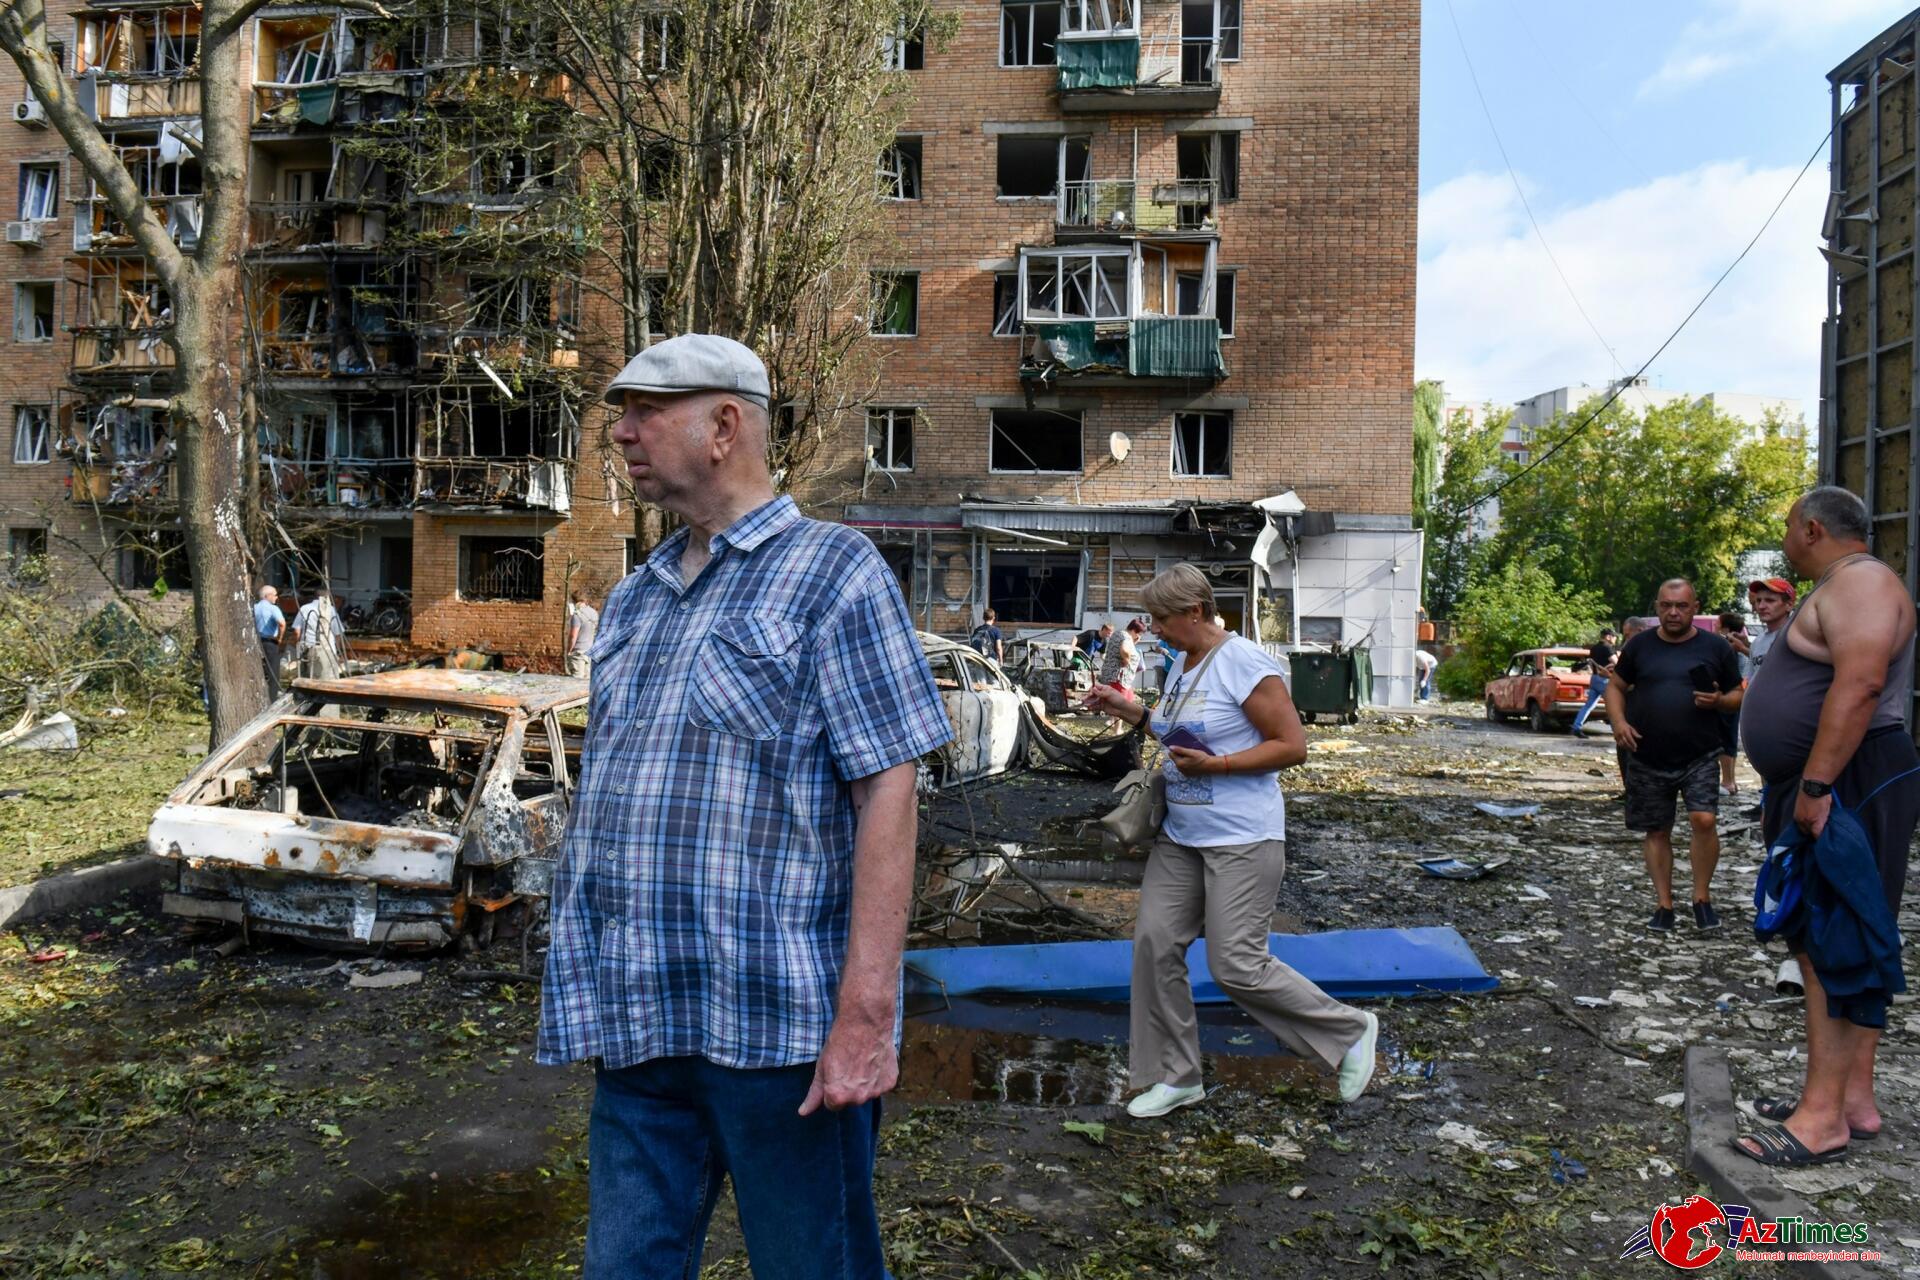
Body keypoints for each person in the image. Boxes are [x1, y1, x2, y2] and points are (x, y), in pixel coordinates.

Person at [537, 335, 952, 1278]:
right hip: (638, 1023)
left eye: (646, 410)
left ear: (726, 424)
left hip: (781, 1039)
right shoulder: (636, 599)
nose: (623, 432)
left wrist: (866, 1015)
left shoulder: (834, 574)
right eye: (622, 413)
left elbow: (889, 787)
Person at [1084, 565, 1379, 1118]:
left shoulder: (1244, 661)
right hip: (1181, 837)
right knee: (1153, 945)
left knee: (1237, 965)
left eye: (1163, 618)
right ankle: (1177, 1076)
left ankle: (1349, 1032)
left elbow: (1292, 746)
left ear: (1194, 612)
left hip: (1242, 838)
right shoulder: (1182, 663)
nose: (1156, 628)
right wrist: (1134, 711)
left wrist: (1218, 765)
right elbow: (1180, 731)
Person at [1733, 487, 1919, 1168]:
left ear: (1812, 528)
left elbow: (1862, 683)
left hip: (1850, 778)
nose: (1784, 540)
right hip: (1836, 776)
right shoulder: (1846, 584)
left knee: (1830, 945)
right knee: (1847, 939)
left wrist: (1814, 786)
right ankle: (1852, 1100)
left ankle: (1820, 1121)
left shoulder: (1863, 583)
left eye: (1787, 529)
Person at [1604, 580, 1743, 933]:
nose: (1673, 613)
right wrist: (1619, 722)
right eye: (1666, 606)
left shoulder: (1716, 648)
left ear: (1695, 606)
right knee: (1656, 830)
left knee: (1704, 820)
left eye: (1681, 606)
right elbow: (1615, 686)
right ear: (1657, 607)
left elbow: (1737, 694)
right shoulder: (1640, 647)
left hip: (1699, 753)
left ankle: (1701, 898)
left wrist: (1719, 702)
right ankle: (1664, 904)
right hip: (1647, 753)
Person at [1717, 612, 1753, 795]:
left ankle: (1728, 781)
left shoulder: (1728, 644)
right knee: (1729, 737)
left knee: (1725, 738)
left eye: (1718, 622)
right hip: (1740, 694)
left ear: (1724, 625)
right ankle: (1730, 781)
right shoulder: (1741, 642)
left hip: (1729, 694)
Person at [1569, 627, 1618, 735]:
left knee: (1589, 705)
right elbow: (1617, 663)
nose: (1615, 640)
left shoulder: (1594, 648)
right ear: (1608, 637)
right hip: (1605, 680)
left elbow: (1591, 663)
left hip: (1594, 678)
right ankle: (1618, 730)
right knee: (1614, 705)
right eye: (1614, 637)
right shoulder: (1608, 648)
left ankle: (1577, 727)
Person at [1740, 577, 1796, 669]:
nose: (1761, 606)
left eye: (1770, 600)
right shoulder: (1757, 641)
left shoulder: (1796, 637)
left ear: (1789, 605)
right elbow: (1749, 679)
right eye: (1758, 601)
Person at [293, 587, 345, 681]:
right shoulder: (331, 610)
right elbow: (337, 633)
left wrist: (298, 647)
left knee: (307, 678)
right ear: (326, 597)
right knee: (328, 679)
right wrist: (338, 651)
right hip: (327, 649)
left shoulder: (304, 608)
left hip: (307, 647)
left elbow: (297, 631)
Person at [252, 585, 285, 699]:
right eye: (275, 595)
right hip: (271, 642)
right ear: (268, 596)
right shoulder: (273, 608)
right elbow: (282, 624)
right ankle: (272, 699)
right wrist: (280, 638)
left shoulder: (253, 607)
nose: (276, 598)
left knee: (259, 670)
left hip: (256, 642)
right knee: (273, 672)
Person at [566, 588, 598, 679]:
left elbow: (573, 636)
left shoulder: (577, 615)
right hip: (591, 650)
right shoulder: (594, 613)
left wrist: (569, 650)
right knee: (587, 682)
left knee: (576, 680)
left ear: (575, 601)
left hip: (579, 652)